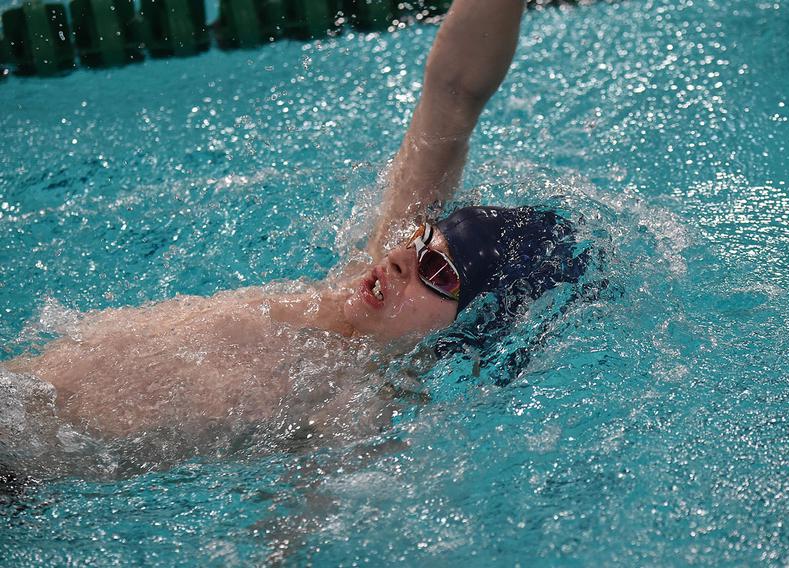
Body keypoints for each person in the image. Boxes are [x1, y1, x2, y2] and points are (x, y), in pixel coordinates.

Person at [1, 0, 586, 443]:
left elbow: (294, 538)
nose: (404, 255)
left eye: (436, 269)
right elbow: (453, 92)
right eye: (419, 240)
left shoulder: (354, 407)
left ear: (468, 326)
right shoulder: (362, 278)